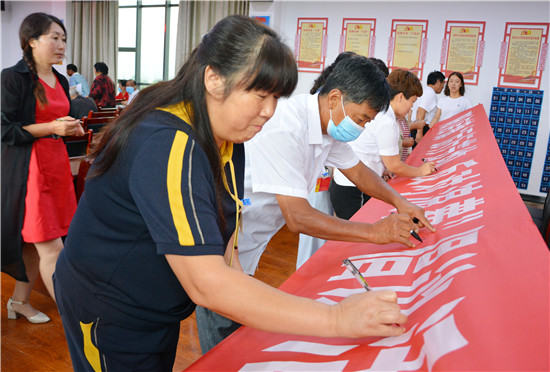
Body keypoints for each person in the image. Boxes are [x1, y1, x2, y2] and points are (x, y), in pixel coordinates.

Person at [53, 16, 408, 371]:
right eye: (260, 95)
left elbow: (227, 254)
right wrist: (336, 320)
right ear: (214, 79)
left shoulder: (228, 139)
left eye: (276, 97)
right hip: (109, 307)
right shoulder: (168, 144)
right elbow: (206, 283)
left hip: (155, 304)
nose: (269, 111)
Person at [1, 12, 85, 324]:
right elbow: (5, 130)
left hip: (56, 164)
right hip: (29, 169)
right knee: (52, 247)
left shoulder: (61, 80)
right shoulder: (13, 78)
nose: (62, 44)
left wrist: (68, 127)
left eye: (63, 38)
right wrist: (51, 126)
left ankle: (18, 302)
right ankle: (74, 316)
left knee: (35, 244)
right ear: (32, 41)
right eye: (54, 37)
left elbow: (56, 122)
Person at [330, 69, 436, 220]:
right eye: (412, 101)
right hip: (354, 188)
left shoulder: (380, 109)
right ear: (400, 97)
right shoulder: (387, 121)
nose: (412, 107)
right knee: (358, 236)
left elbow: (371, 149)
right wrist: (420, 171)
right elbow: (394, 166)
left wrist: (381, 168)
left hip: (349, 182)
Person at [408, 70, 445, 143]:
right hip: (421, 128)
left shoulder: (423, 91)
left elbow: (411, 112)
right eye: (443, 83)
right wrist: (419, 132)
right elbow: (421, 111)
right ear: (438, 82)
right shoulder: (430, 93)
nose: (443, 86)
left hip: (415, 127)